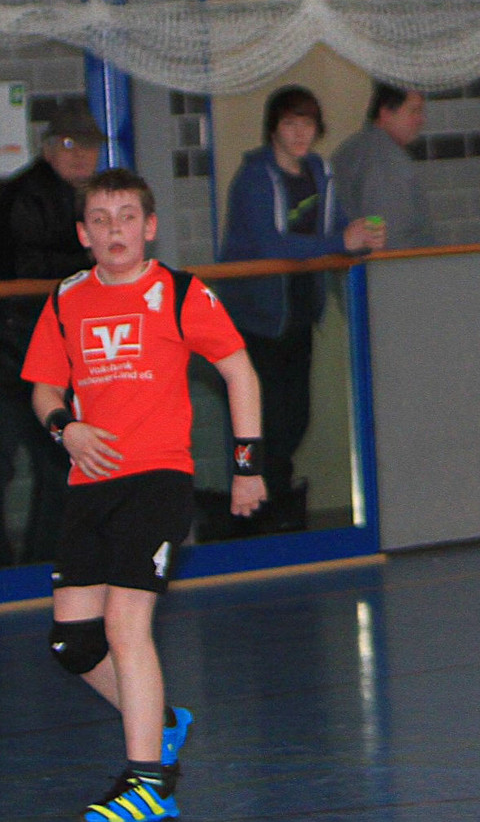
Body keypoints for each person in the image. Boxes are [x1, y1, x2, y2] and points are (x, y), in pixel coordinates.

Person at [21, 167, 267, 822]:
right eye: (100, 220)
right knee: (73, 644)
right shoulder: (67, 298)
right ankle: (158, 722)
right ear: (83, 233)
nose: (115, 230)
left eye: (127, 217)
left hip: (157, 480)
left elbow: (239, 370)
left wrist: (247, 464)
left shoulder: (181, 293)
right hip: (90, 484)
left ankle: (148, 784)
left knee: (125, 626)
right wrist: (65, 427)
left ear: (149, 227)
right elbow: (43, 388)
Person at [220, 84, 385, 533]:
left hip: (298, 314)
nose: (299, 133)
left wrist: (360, 240)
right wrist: (339, 241)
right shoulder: (255, 178)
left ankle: (275, 504)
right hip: (256, 319)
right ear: (273, 129)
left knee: (295, 417)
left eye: (307, 124)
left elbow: (335, 230)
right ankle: (258, 515)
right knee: (264, 420)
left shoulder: (319, 172)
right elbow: (271, 245)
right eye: (290, 123)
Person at [0, 99, 102, 564]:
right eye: (68, 144)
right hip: (16, 352)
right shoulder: (26, 197)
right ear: (47, 148)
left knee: (58, 462)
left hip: (43, 351)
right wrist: (89, 263)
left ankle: (39, 563)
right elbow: (28, 270)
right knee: (46, 460)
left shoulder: (87, 197)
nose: (80, 155)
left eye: (89, 145)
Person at [331, 81, 435, 249]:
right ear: (386, 113)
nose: (421, 119)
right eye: (414, 111)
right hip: (396, 263)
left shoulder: (358, 146)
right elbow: (389, 239)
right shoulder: (384, 162)